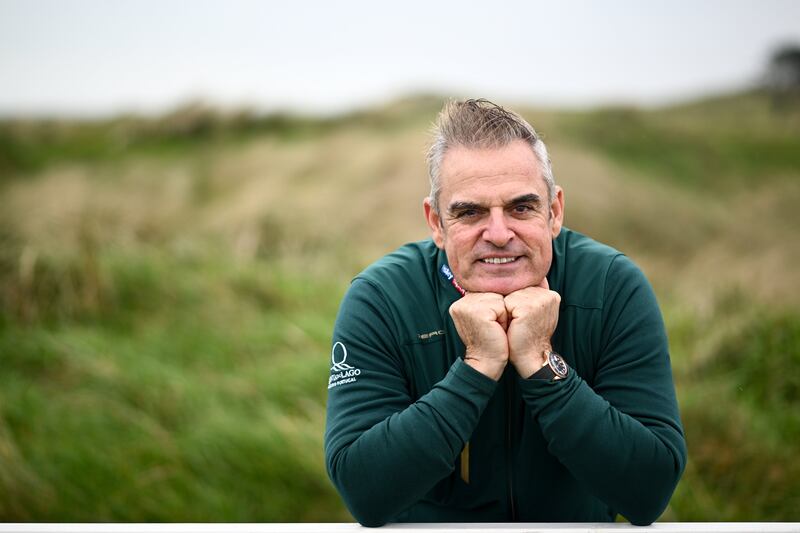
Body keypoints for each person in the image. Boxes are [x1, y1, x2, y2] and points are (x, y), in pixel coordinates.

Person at [324, 99, 686, 527]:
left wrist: (540, 362)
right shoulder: (381, 298)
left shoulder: (612, 286)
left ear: (554, 211)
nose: (498, 234)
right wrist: (476, 367)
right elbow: (363, 492)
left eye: (521, 207)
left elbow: (650, 491)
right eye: (470, 212)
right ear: (436, 222)